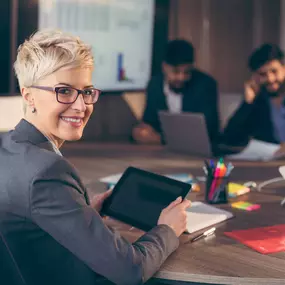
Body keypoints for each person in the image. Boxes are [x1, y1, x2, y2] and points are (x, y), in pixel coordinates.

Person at [0, 30, 190, 285]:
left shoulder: (8, 146)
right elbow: (130, 270)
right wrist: (167, 229)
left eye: (87, 92)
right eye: (64, 91)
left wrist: (81, 213)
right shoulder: (48, 171)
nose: (81, 106)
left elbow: (30, 220)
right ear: (28, 95)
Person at [132, 39, 220, 147]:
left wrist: (162, 139)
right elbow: (149, 120)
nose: (181, 77)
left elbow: (209, 129)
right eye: (176, 72)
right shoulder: (155, 84)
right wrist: (142, 131)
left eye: (187, 72)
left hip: (198, 150)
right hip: (162, 151)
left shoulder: (205, 84)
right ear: (164, 67)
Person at [222, 43, 285, 154]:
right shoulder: (258, 101)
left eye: (274, 71)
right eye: (262, 74)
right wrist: (247, 103)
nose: (270, 79)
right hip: (271, 164)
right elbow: (229, 138)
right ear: (255, 77)